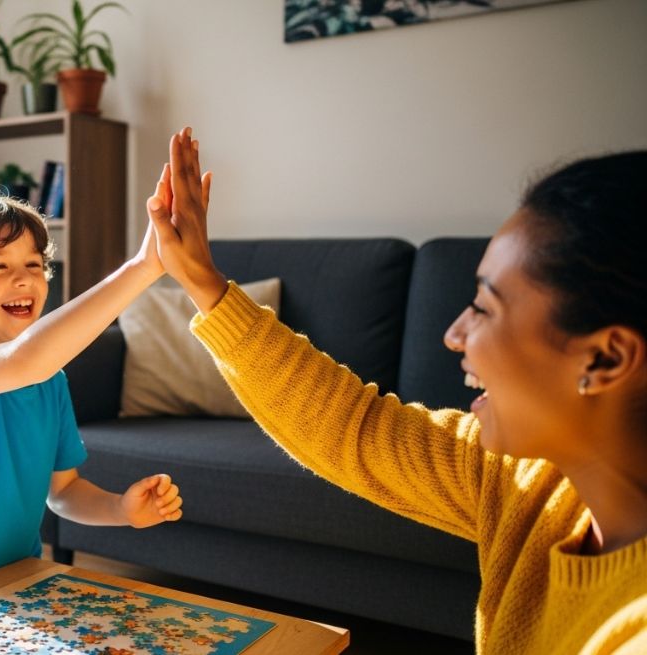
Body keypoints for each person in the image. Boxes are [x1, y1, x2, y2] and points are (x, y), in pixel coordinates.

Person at [145, 127, 647, 653]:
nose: (454, 335)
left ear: (605, 358)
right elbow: (357, 429)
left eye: (485, 306)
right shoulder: (529, 479)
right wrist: (205, 283)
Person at [0, 182, 185, 611]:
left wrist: (121, 509)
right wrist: (143, 268)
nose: (24, 277)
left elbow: (64, 492)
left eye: (34, 264)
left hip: (14, 592)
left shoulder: (50, 380)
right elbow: (23, 361)